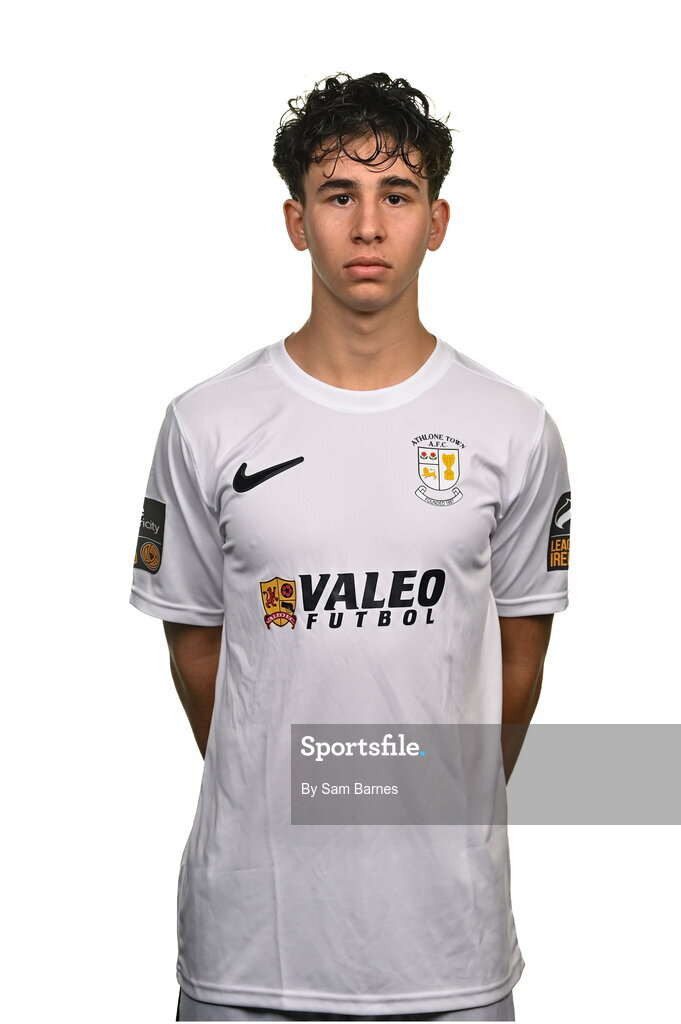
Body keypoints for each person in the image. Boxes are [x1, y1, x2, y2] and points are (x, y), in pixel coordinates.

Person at [129, 72, 571, 1023]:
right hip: (251, 949)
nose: (368, 227)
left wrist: (416, 799)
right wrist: (285, 779)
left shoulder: (513, 428)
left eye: (395, 195)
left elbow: (520, 666)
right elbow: (198, 653)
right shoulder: (206, 424)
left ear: (437, 221)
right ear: (297, 221)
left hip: (447, 953)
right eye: (339, 196)